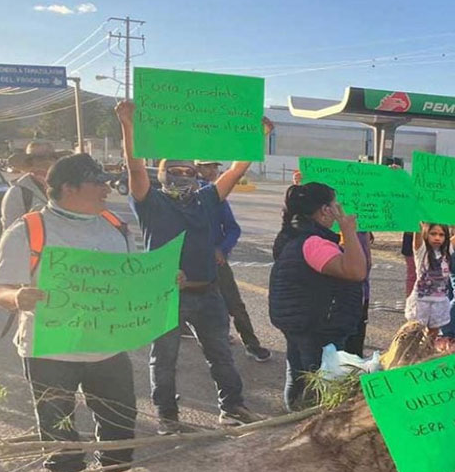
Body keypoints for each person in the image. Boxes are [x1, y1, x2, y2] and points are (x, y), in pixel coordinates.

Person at [0, 153, 141, 472]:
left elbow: (132, 277)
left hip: (107, 347)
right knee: (59, 432)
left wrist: (163, 281)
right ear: (69, 188)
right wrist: (15, 298)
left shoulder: (115, 226)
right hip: (51, 351)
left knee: (121, 425)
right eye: (98, 182)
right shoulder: (28, 230)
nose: (106, 188)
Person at [116, 101, 262, 434]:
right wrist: (128, 126)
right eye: (175, 171)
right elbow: (135, 169)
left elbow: (235, 172)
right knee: (164, 360)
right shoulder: (151, 204)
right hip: (167, 295)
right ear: (162, 175)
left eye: (189, 172)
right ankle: (168, 416)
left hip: (208, 293)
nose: (183, 176)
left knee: (221, 354)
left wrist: (256, 137)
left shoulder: (207, 200)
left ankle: (233, 407)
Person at [269, 183, 366, 411]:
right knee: (320, 383)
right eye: (334, 204)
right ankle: (308, 425)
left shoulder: (294, 233)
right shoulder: (314, 242)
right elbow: (356, 271)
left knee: (298, 373)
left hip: (300, 321)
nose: (337, 208)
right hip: (318, 326)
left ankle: (293, 416)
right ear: (325, 210)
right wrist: (349, 231)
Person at [194, 160, 272, 363]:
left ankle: (251, 344)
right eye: (206, 166)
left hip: (217, 265)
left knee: (235, 305)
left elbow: (233, 228)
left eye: (215, 167)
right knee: (185, 307)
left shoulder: (217, 197)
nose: (213, 171)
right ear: (196, 168)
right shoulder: (181, 197)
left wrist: (222, 249)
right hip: (187, 265)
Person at [404, 223, 453, 349]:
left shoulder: (447, 251)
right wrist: (419, 219)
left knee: (433, 334)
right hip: (421, 301)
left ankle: (426, 353)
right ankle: (410, 356)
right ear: (426, 234)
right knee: (415, 333)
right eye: (433, 234)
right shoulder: (421, 250)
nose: (437, 238)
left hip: (439, 302)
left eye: (441, 235)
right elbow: (417, 232)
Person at [0, 141, 68, 229]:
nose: (43, 170)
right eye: (39, 167)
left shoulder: (69, 190)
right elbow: (11, 232)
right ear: (29, 167)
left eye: (47, 166)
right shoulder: (18, 193)